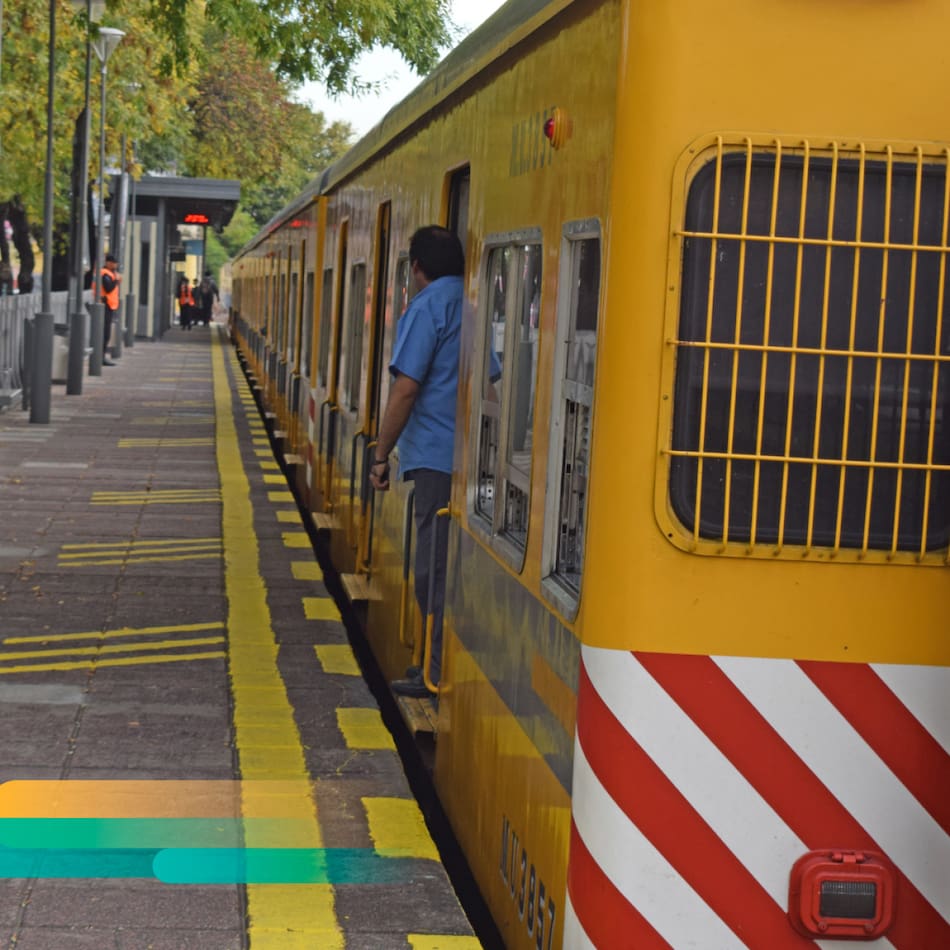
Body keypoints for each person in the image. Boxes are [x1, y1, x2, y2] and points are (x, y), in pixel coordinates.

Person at [369, 225, 465, 698]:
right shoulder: (473, 300)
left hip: (435, 460)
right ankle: (432, 660)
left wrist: (380, 454)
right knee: (442, 564)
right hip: (468, 454)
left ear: (417, 269)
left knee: (432, 567)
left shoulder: (428, 306)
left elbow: (405, 388)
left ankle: (435, 671)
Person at [99, 254, 121, 365]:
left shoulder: (110, 274)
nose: (115, 265)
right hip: (105, 305)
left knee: (106, 333)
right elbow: (108, 288)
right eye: (113, 263)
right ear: (108, 263)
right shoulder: (105, 274)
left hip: (109, 306)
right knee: (104, 333)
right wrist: (116, 281)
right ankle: (101, 357)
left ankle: (102, 356)